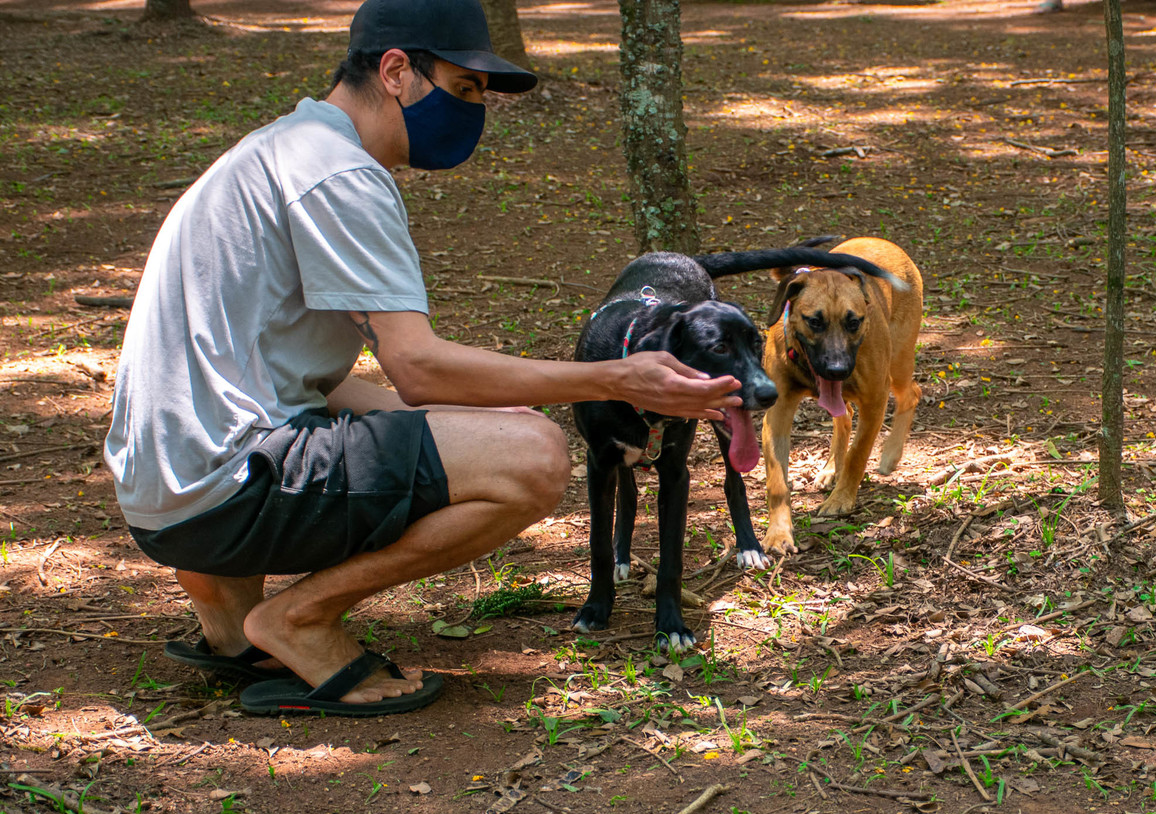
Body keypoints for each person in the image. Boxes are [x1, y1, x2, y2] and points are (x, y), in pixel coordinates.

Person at [103, 0, 742, 716]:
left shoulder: (276, 151)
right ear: (398, 71)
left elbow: (321, 377)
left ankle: (226, 617)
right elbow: (417, 366)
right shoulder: (340, 174)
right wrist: (614, 377)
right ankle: (298, 619)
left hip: (164, 490)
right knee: (533, 454)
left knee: (493, 424)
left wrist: (468, 415)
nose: (475, 110)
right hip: (225, 485)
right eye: (466, 88)